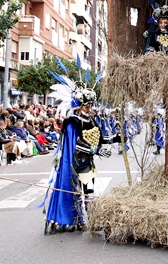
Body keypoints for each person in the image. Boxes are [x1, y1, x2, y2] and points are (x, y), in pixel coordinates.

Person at [45, 70, 116, 233]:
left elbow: (99, 136)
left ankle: (91, 220)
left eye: (91, 105)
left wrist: (111, 140)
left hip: (87, 162)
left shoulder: (91, 119)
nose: (89, 108)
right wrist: (96, 150)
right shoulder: (73, 122)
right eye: (86, 105)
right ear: (79, 106)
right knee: (77, 192)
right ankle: (79, 220)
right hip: (76, 162)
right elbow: (76, 145)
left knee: (89, 192)